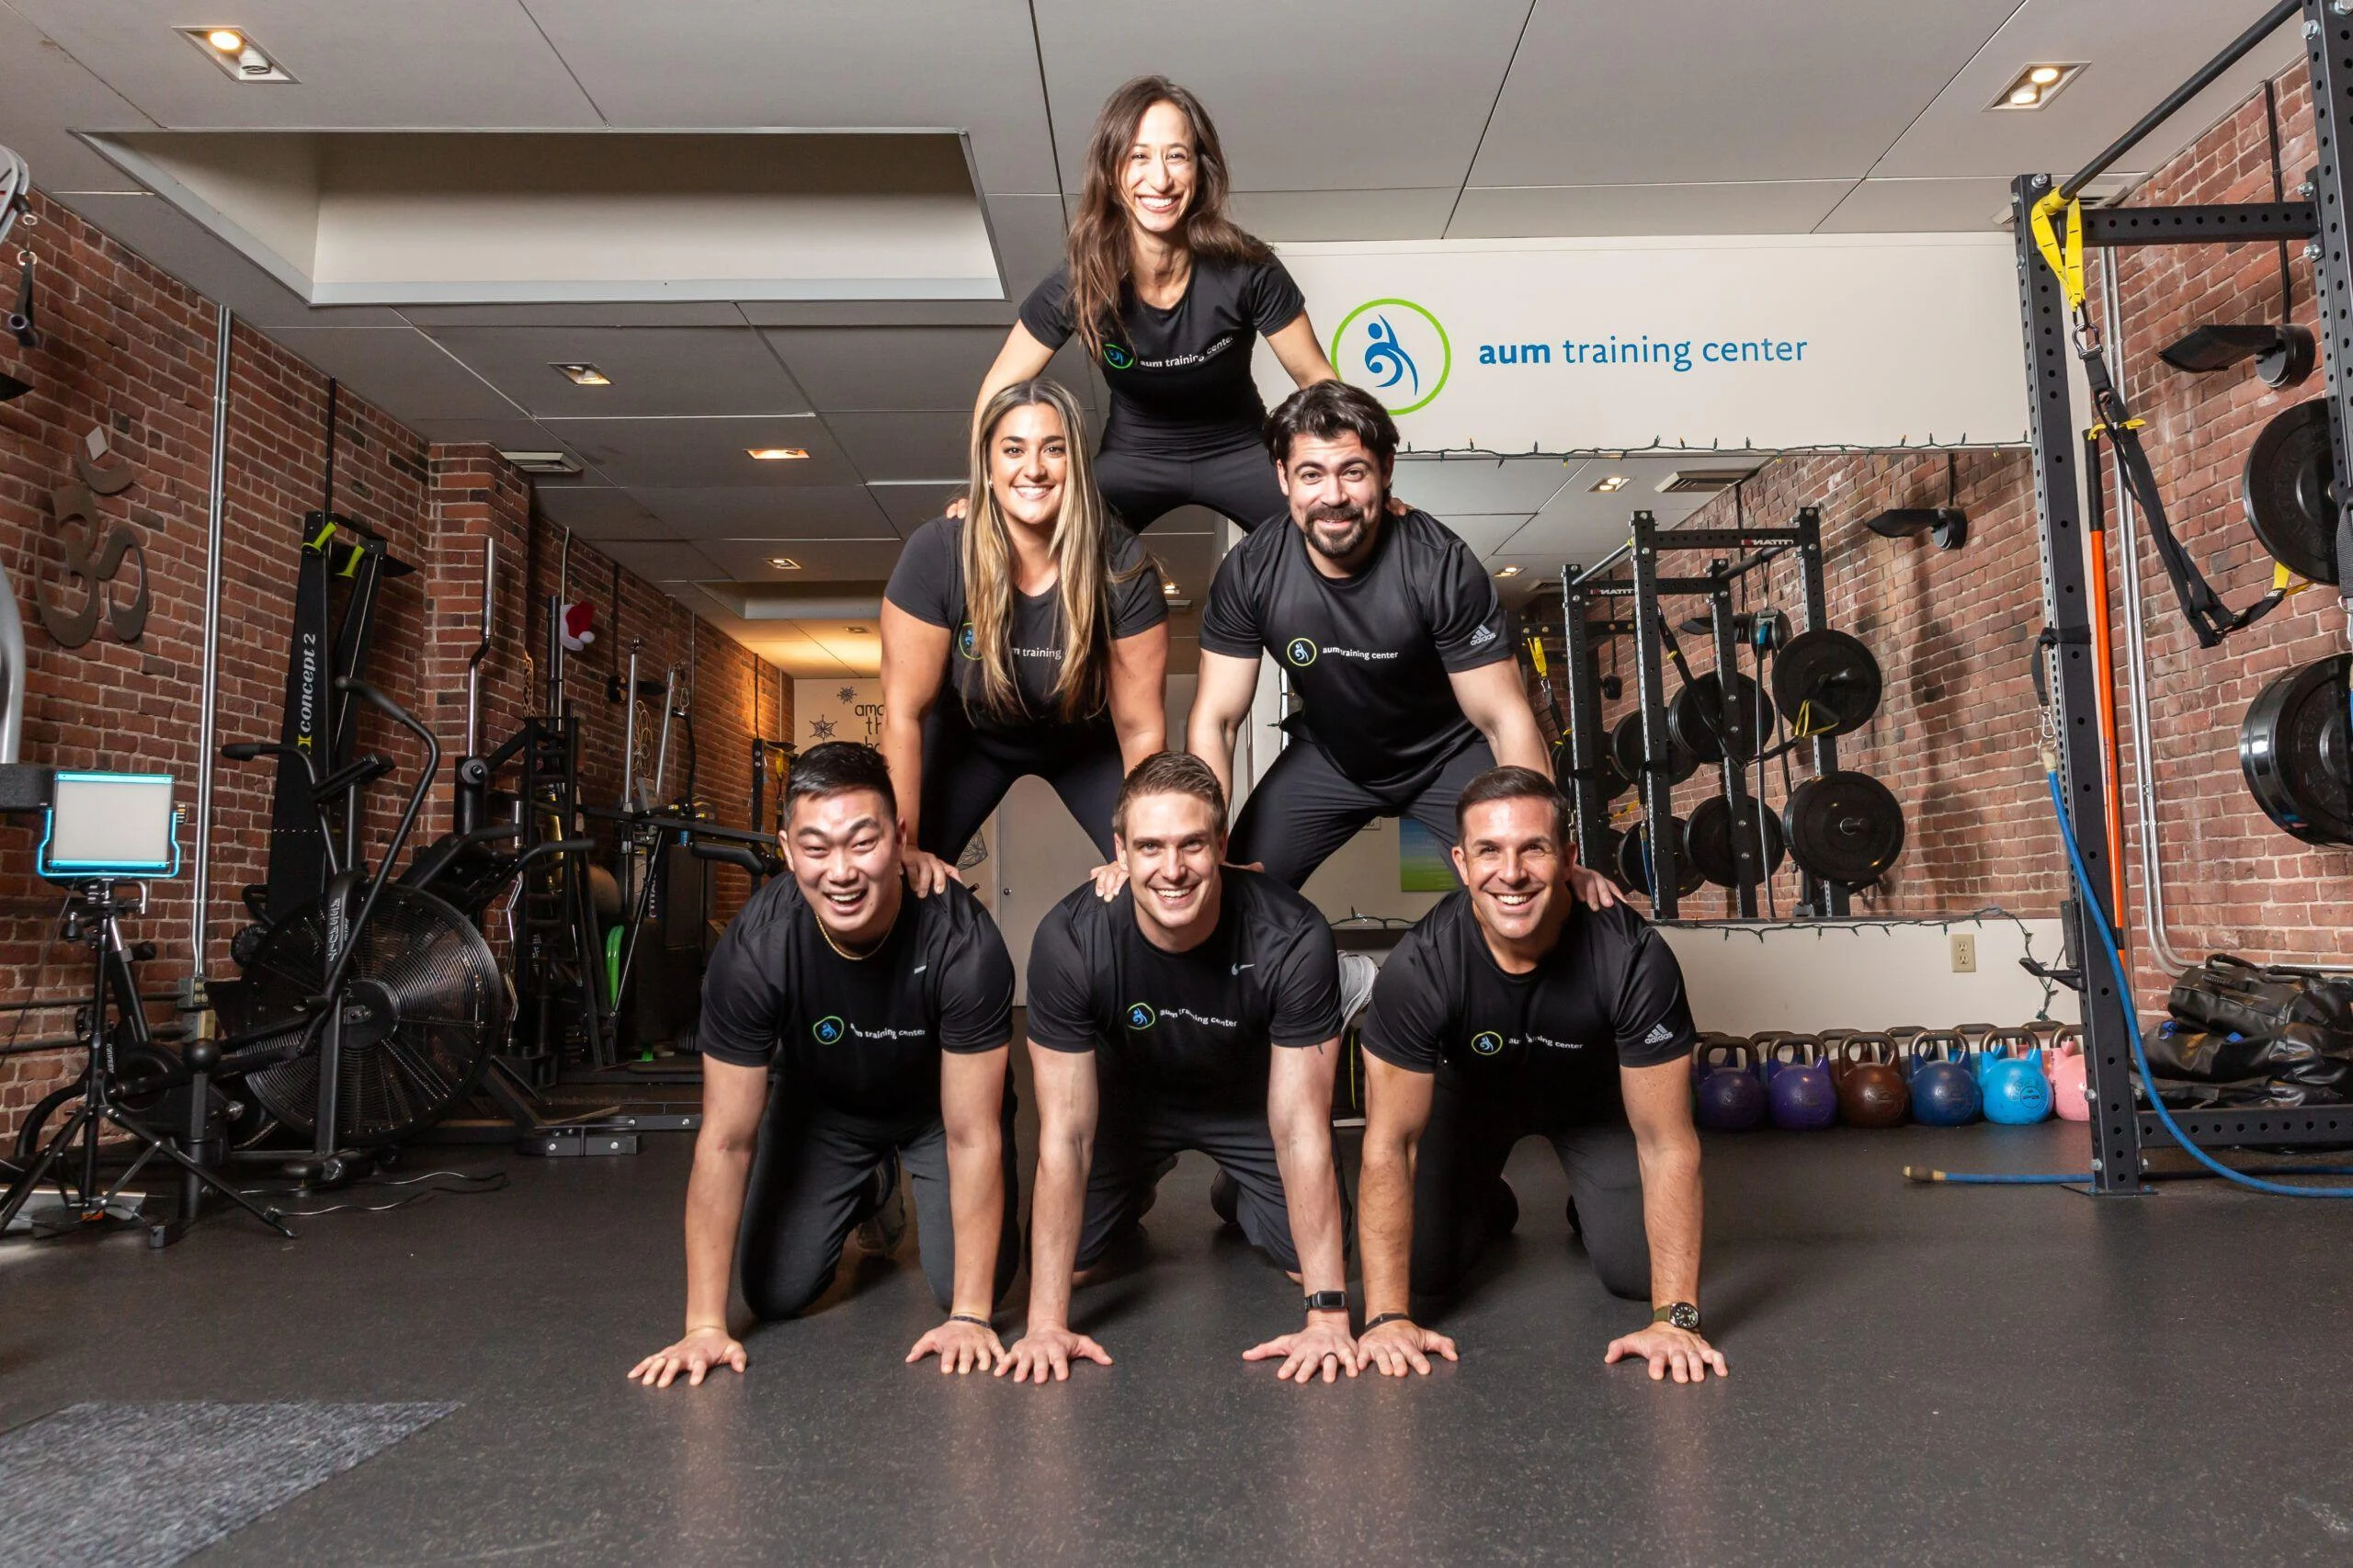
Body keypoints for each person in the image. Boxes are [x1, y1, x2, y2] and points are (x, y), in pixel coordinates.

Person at [630, 743, 1020, 1389]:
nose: (840, 872)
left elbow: (974, 1133)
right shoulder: (756, 948)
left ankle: (910, 1199)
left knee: (966, 1286)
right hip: (824, 1111)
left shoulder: (963, 942)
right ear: (787, 852)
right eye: (816, 849)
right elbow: (725, 1141)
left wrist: (973, 1317)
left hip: (936, 1114)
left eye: (862, 843)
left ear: (899, 839)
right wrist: (703, 1325)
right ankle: (869, 1190)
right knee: (775, 1293)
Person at [1352, 767, 1727, 1386]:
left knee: (1637, 1275)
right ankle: (1484, 1202)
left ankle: (1598, 1203)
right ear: (1461, 863)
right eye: (1489, 851)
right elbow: (1391, 1143)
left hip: (1592, 1102)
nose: (1513, 872)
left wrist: (1677, 1318)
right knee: (1422, 1271)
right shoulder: (1422, 964)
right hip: (1469, 1101)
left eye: (1534, 848)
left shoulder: (1631, 956)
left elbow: (1667, 1142)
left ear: (1568, 858)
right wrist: (1388, 1316)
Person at [1001, 752, 1357, 1386]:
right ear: (1120, 850)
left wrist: (1327, 1318)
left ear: (1221, 844)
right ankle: (1134, 1188)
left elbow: (1302, 1127)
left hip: (1248, 1102)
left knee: (1316, 1264)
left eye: (1192, 845)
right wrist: (1047, 1324)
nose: (1172, 869)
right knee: (1074, 1268)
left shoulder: (1292, 934)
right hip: (1128, 1109)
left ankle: (1241, 1189)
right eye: (1150, 846)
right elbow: (1067, 1135)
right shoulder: (1072, 937)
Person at [1188, 380, 1593, 895]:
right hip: (1330, 758)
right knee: (1227, 891)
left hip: (1447, 755)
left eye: (1352, 472)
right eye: (1311, 474)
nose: (1333, 497)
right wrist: (1199, 841)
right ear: (1283, 478)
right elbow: (1217, 721)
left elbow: (1503, 717)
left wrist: (1548, 851)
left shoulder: (1438, 565)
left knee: (1524, 886)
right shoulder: (1250, 571)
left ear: (1385, 471)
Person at [972, 75, 1336, 535]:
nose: (1160, 179)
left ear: (1200, 169)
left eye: (1176, 156)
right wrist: (983, 493)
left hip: (1238, 446)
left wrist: (1361, 487)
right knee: (1058, 540)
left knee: (1331, 524)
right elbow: (998, 389)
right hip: (1135, 451)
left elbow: (1317, 380)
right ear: (1112, 170)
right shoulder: (1079, 280)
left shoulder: (1249, 269)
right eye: (1138, 156)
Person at [881, 379, 1169, 894]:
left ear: (1075, 465)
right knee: (898, 877)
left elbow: (1141, 729)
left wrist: (1138, 848)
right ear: (987, 467)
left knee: (1155, 872)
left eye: (1052, 449)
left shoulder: (1123, 566)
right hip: (970, 738)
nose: (1033, 468)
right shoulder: (939, 553)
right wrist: (903, 845)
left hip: (1084, 741)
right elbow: (904, 711)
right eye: (1013, 449)